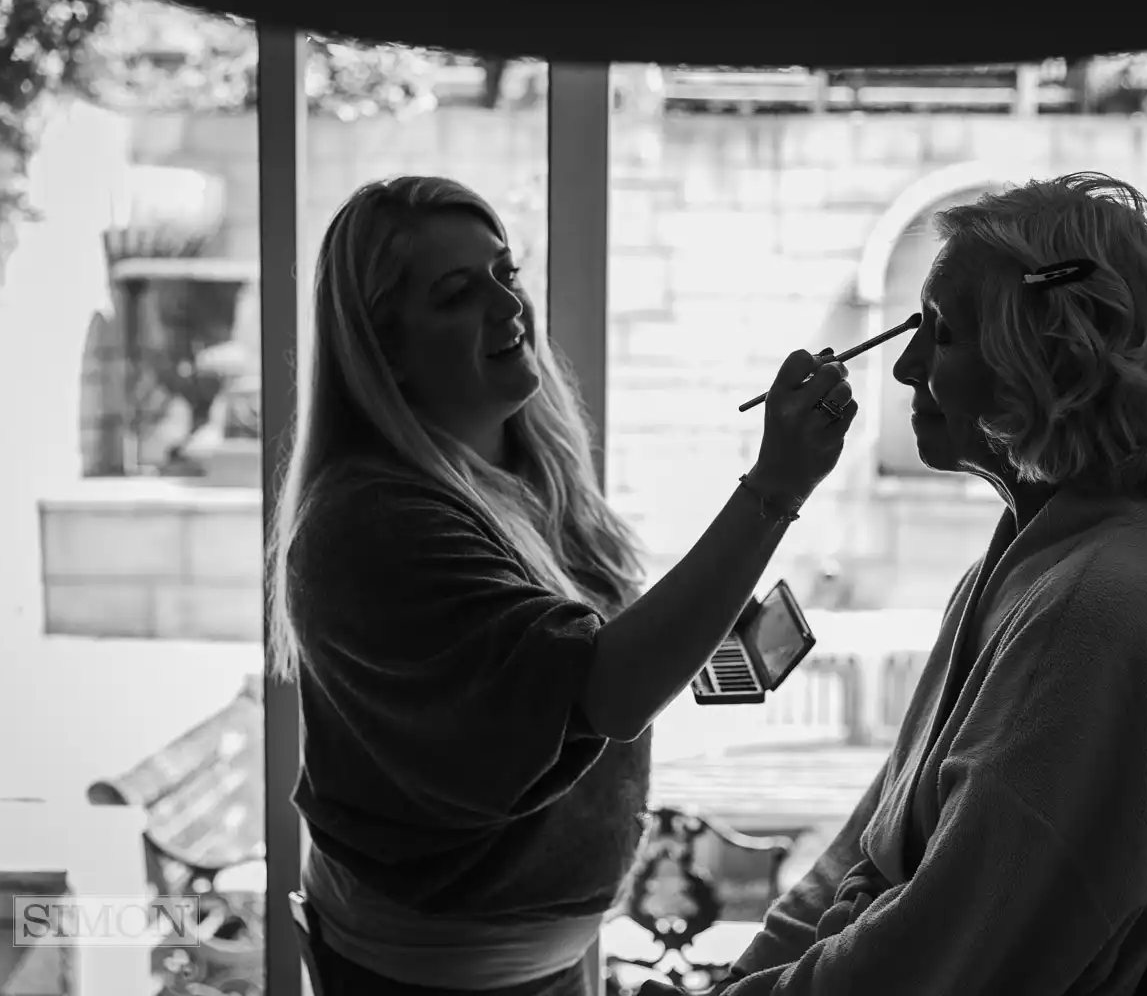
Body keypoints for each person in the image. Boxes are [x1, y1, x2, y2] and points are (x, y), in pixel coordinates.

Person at [267, 175, 859, 996]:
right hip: (436, 973)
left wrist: (699, 643)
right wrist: (774, 490)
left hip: (545, 952)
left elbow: (578, 663)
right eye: (456, 294)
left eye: (505, 275)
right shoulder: (373, 522)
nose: (508, 308)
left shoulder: (527, 469)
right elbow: (604, 692)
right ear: (385, 349)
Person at [693, 172, 1147, 996]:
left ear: (1043, 360)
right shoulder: (1018, 565)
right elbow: (863, 848)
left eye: (939, 334)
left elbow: (934, 955)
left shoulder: (1097, 606)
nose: (904, 367)